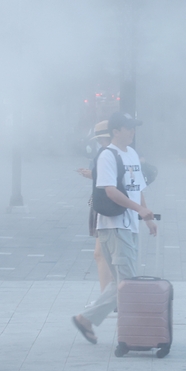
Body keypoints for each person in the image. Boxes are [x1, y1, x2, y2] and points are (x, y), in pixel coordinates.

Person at [72, 113, 157, 344]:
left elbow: (137, 188)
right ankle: (131, 335)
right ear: (115, 132)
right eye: (128, 128)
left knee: (121, 281)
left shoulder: (131, 154)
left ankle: (85, 319)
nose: (132, 132)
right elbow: (110, 190)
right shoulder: (107, 156)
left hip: (129, 225)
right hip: (113, 225)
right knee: (128, 283)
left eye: (133, 128)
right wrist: (138, 210)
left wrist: (146, 215)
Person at [77, 121, 114, 293]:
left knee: (102, 254)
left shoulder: (107, 153)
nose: (101, 142)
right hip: (102, 202)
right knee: (103, 254)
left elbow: (106, 178)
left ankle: (107, 297)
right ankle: (108, 296)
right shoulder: (109, 152)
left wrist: (91, 174)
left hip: (104, 205)